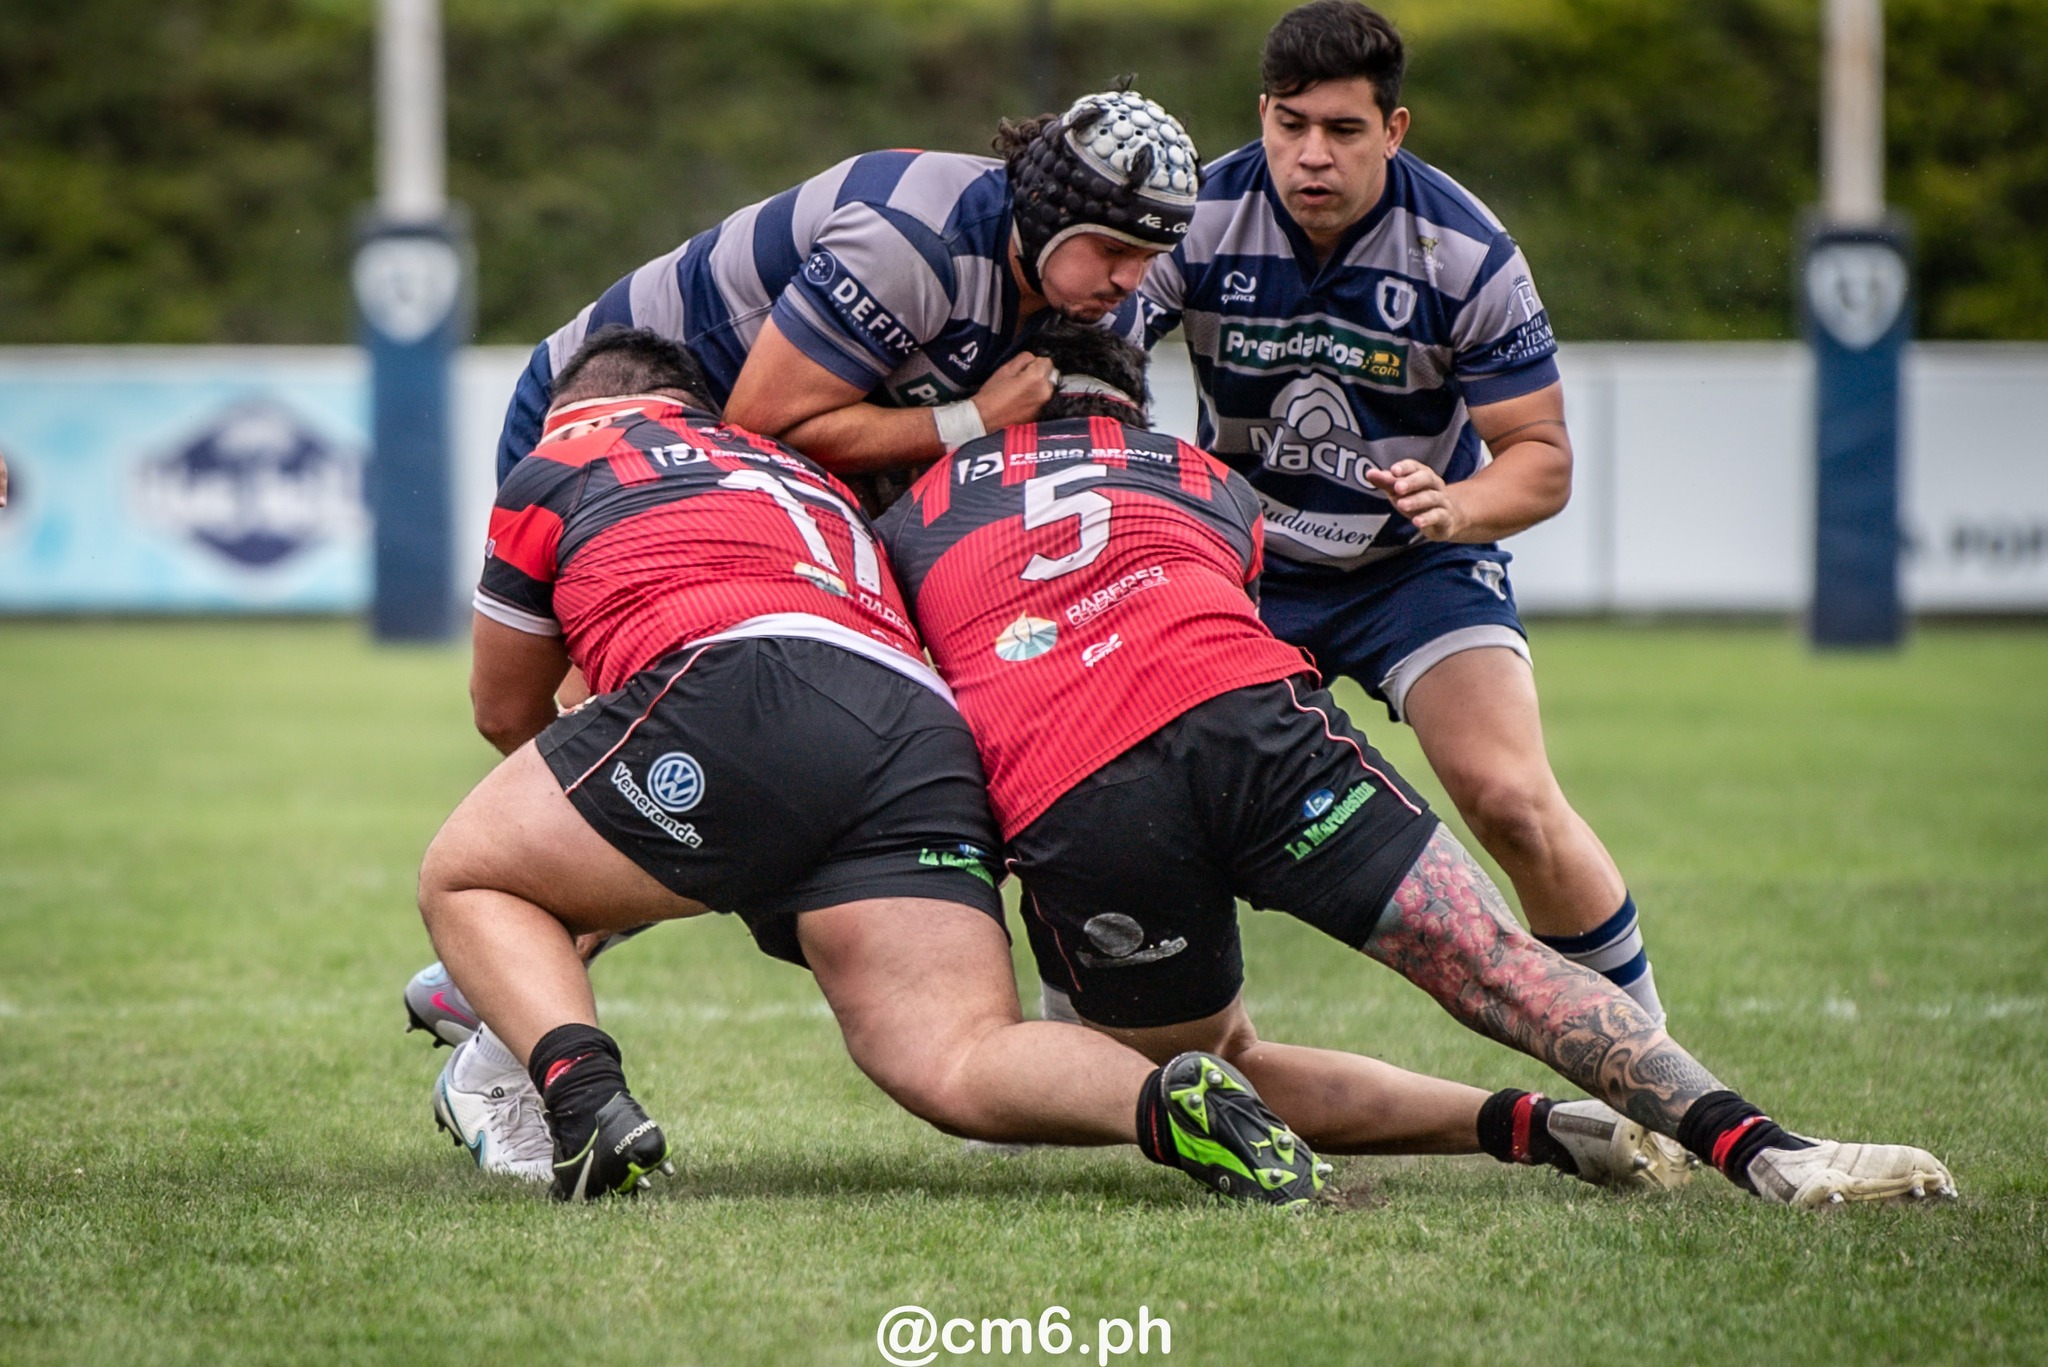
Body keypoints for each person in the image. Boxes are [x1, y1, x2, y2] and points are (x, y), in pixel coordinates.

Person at [873, 319, 1957, 1208]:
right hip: (1248, 719)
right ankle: (1771, 1148)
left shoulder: (910, 516)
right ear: (1131, 399)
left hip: (1076, 784)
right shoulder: (1205, 476)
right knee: (1488, 956)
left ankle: (1522, 1125)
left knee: (1196, 1068)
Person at [414, 324, 1329, 1205]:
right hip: (918, 729)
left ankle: (581, 1100)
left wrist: (596, 850)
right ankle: (1160, 1099)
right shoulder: (805, 475)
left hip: (745, 680)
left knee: (469, 876)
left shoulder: (567, 456)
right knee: (959, 1056)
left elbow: (503, 710)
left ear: (577, 410)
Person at [1113, 1, 1669, 1022]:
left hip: (1410, 565)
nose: (1309, 156)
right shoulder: (1194, 216)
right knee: (1129, 793)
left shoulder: (1464, 252)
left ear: (1393, 129)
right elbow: (1092, 359)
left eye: (1341, 130)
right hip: (1240, 565)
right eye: (1289, 125)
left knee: (1510, 800)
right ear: (1261, 116)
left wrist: (1455, 506)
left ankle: (1650, 1071)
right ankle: (1079, 1063)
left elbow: (1540, 462)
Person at [494, 88, 1202, 487]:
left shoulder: (1093, 298)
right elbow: (760, 427)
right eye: (1113, 250)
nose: (1131, 282)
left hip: (727, 458)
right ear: (1046, 211)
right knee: (562, 711)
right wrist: (975, 421)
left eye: (1151, 256)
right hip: (595, 410)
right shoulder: (914, 244)